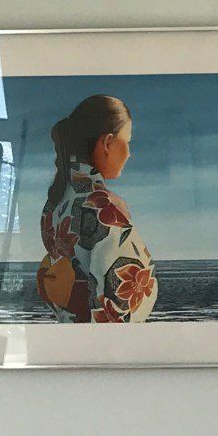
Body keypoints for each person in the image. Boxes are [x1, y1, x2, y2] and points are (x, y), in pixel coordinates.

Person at [34, 94, 157, 323]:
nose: (129, 153)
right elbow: (120, 302)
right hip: (103, 337)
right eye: (127, 142)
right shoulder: (103, 208)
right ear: (108, 143)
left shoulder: (54, 202)